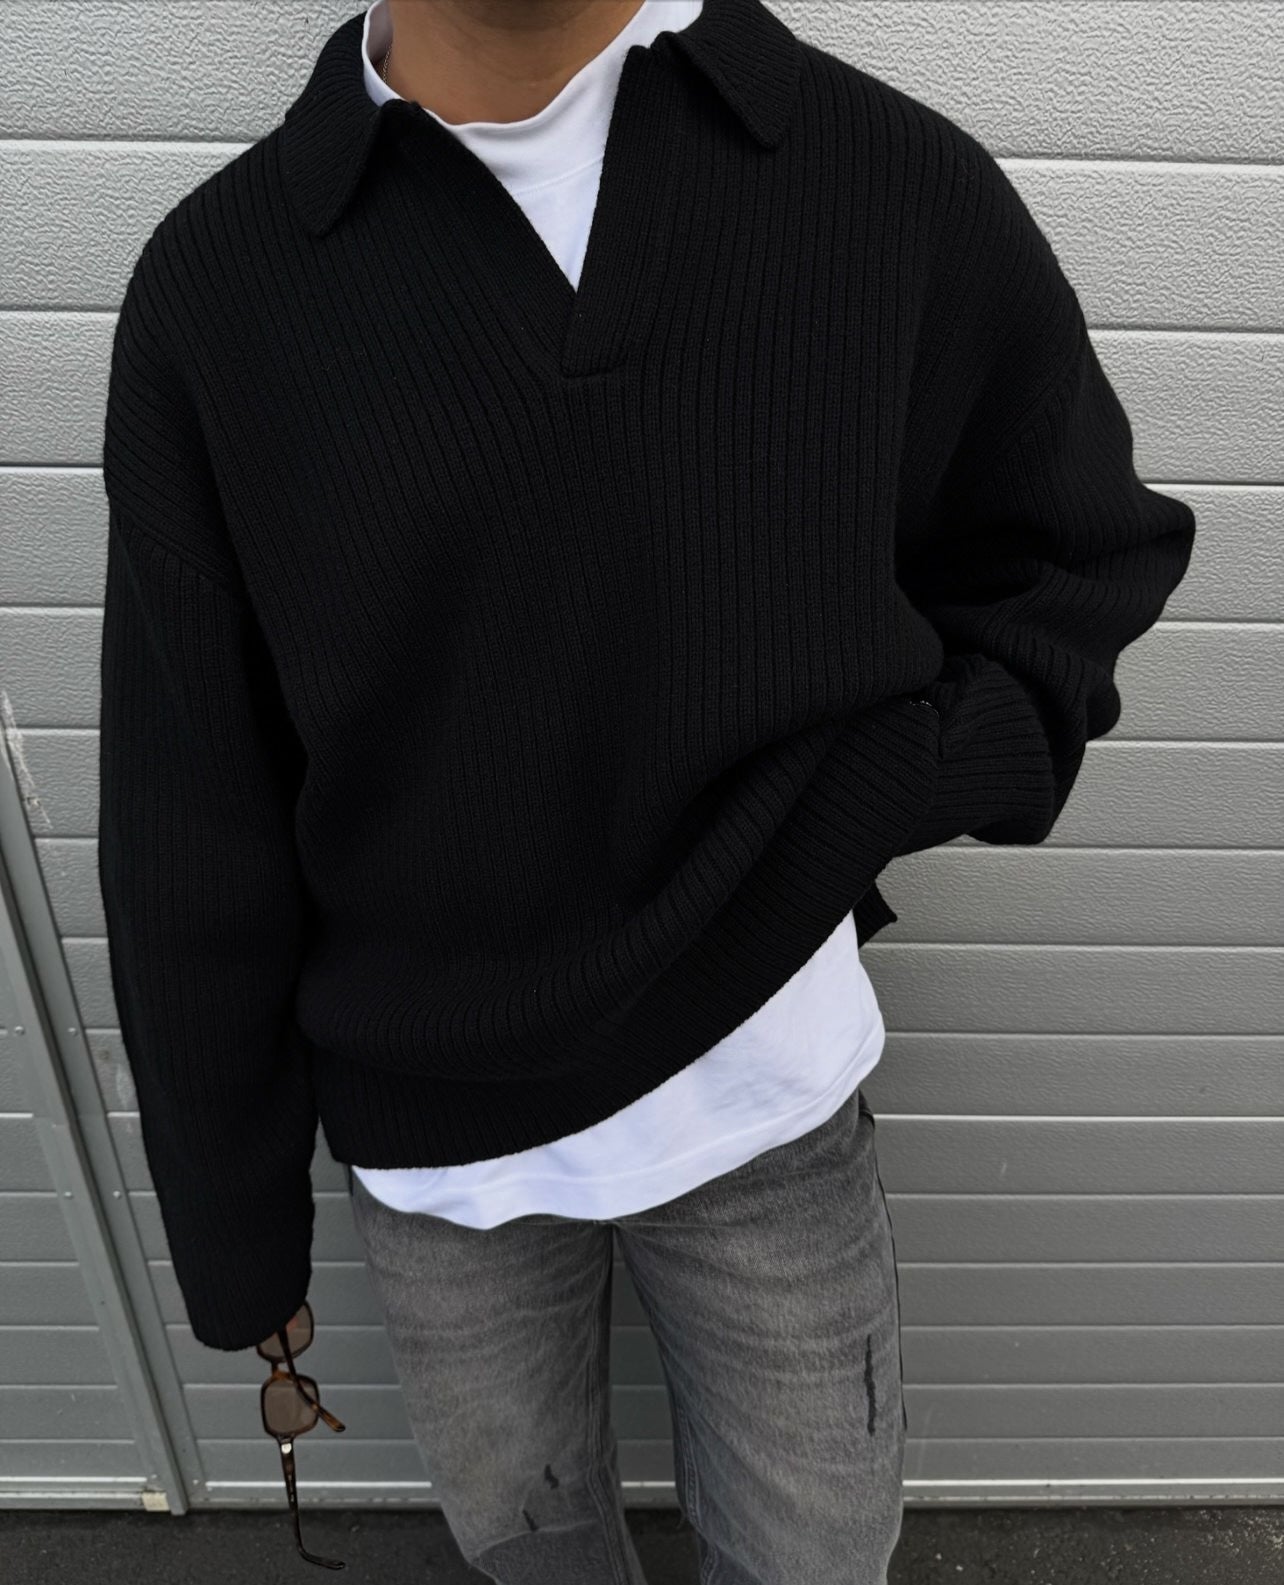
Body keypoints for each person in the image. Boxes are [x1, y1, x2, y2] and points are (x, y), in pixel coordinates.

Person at [96, 0, 1197, 1579]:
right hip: (439, 1148)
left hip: (766, 1087)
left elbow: (1078, 547)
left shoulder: (871, 180)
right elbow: (189, 810)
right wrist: (237, 1224)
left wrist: (902, 773)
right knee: (532, 1557)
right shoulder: (222, 291)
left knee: (814, 1561)